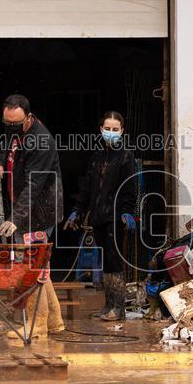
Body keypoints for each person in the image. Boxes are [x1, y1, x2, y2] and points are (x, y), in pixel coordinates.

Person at [0, 94, 65, 337]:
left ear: (29, 118)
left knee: (32, 267)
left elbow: (34, 186)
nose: (10, 128)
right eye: (7, 123)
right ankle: (54, 321)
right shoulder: (15, 129)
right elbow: (4, 143)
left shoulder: (40, 142)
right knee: (40, 266)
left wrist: (16, 219)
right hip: (24, 209)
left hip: (38, 213)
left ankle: (37, 326)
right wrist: (0, 163)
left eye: (15, 124)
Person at [63, 111, 138, 320]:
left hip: (115, 218)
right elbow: (87, 187)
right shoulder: (96, 156)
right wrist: (77, 210)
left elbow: (130, 188)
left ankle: (118, 308)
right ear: (101, 130)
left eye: (115, 129)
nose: (111, 133)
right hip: (97, 217)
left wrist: (127, 212)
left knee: (114, 261)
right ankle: (107, 306)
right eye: (108, 129)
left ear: (122, 131)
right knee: (105, 261)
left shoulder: (125, 156)